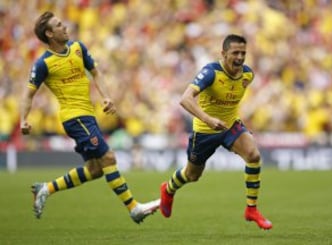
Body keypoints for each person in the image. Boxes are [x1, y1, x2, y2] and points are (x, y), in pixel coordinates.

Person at [20, 11, 159, 223]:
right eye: (59, 25)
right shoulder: (43, 64)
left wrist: (106, 97)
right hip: (74, 117)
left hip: (88, 115)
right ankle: (133, 208)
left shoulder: (78, 48)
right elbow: (28, 93)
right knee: (109, 158)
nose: (65, 26)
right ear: (49, 33)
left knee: (95, 170)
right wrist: (23, 119)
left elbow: (96, 72)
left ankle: (45, 188)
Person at [159, 34, 272, 230]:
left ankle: (251, 210)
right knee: (192, 175)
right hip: (204, 131)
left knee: (253, 155)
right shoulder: (210, 72)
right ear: (223, 53)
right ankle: (168, 189)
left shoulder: (247, 75)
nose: (239, 57)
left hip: (230, 126)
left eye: (243, 53)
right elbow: (185, 99)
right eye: (235, 53)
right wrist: (208, 119)